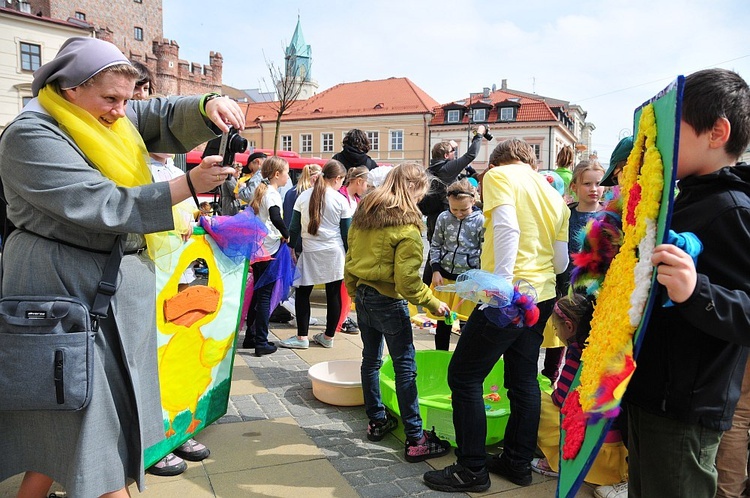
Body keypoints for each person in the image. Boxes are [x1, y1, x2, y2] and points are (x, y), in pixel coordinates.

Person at [0, 36, 242, 498]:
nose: (120, 110)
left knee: (74, 417)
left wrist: (209, 103)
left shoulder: (101, 114)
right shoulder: (31, 134)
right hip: (63, 289)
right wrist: (186, 185)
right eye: (110, 98)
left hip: (105, 289)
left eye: (125, 99)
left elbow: (160, 114)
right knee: (88, 412)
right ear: (68, 88)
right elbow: (98, 204)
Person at [623, 69, 750, 498]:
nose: (657, 142)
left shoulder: (731, 209)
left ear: (716, 132)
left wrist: (698, 292)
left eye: (670, 127)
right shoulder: (682, 199)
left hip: (685, 408)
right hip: (649, 390)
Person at [423, 138, 570, 492]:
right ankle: (518, 463)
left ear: (501, 160)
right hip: (543, 294)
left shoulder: (501, 176)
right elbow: (562, 260)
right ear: (532, 160)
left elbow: (506, 228)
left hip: (509, 297)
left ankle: (471, 469)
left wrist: (502, 288)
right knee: (523, 379)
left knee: (464, 376)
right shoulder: (554, 195)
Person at [344, 162, 452, 462]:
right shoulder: (408, 226)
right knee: (405, 368)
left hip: (365, 296)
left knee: (370, 360)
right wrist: (434, 304)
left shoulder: (364, 214)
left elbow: (350, 258)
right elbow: (408, 282)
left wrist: (355, 293)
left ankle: (377, 420)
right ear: (416, 188)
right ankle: (416, 438)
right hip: (388, 301)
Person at [533, 294, 629, 491]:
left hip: (591, 448)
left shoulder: (577, 354)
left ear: (569, 327)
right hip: (618, 447)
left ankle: (556, 462)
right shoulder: (606, 348)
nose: (556, 333)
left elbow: (563, 399)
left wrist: (553, 395)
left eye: (555, 327)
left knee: (538, 402)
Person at [279, 160, 351, 349]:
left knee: (303, 293)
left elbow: (294, 228)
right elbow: (346, 233)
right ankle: (328, 337)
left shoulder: (303, 196)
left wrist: (291, 248)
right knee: (333, 294)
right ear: (337, 178)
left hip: (310, 251)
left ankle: (302, 337)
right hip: (334, 252)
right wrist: (350, 254)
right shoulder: (340, 200)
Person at [426, 179, 485, 350]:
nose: (458, 213)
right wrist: (435, 270)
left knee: (468, 324)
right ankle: (441, 356)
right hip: (444, 279)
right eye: (454, 209)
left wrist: (478, 278)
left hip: (468, 281)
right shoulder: (443, 218)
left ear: (473, 201)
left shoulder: (480, 221)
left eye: (464, 209)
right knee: (443, 324)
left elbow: (483, 251)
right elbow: (435, 244)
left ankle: (464, 359)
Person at [240, 156, 291, 356]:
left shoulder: (264, 191)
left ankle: (251, 338)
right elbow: (276, 217)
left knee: (258, 294)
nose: (288, 176)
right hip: (269, 249)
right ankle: (261, 341)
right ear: (277, 175)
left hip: (260, 248)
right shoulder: (272, 194)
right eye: (286, 173)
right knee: (264, 296)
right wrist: (287, 235)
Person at [336, 166, 370, 335]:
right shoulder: (341, 196)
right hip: (341, 247)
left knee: (346, 285)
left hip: (351, 247)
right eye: (366, 183)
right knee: (343, 285)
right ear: (358, 182)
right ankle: (340, 319)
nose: (366, 187)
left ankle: (342, 317)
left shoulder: (355, 199)